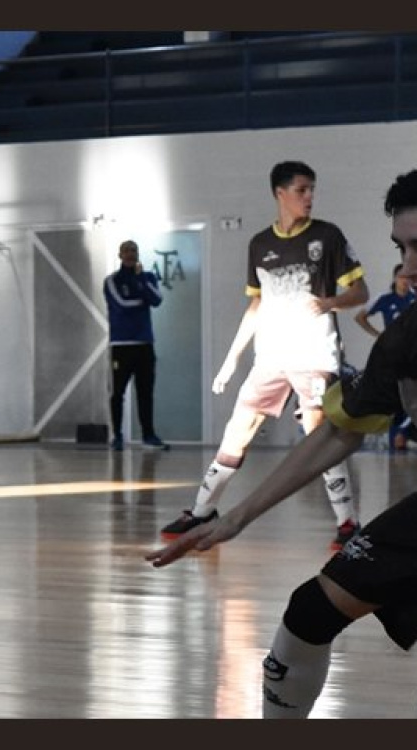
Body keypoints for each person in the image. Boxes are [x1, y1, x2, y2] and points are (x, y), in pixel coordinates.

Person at [145, 168, 417, 719]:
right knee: (307, 616)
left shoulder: (329, 241)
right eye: (402, 249)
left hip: (311, 355)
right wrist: (233, 518)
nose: (409, 266)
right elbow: (339, 431)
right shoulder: (404, 340)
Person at [160, 161, 369, 548]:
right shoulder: (259, 244)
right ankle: (202, 510)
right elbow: (255, 306)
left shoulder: (327, 236)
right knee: (237, 431)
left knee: (319, 436)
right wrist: (231, 360)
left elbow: (361, 293)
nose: (310, 196)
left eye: (312, 189)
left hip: (314, 355)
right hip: (271, 356)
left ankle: (347, 523)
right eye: (302, 189)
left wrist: (330, 303)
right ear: (280, 193)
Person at [103, 239, 168, 451]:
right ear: (120, 255)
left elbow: (157, 300)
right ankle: (117, 435)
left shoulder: (148, 277)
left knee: (145, 392)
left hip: (144, 344)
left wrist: (140, 281)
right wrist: (142, 299)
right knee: (117, 392)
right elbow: (121, 304)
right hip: (121, 345)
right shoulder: (112, 280)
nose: (131, 254)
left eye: (134, 250)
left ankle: (148, 435)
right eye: (127, 251)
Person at [354, 262, 416, 450]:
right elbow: (360, 317)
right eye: (401, 277)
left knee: (410, 397)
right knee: (395, 398)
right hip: (394, 355)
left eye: (407, 278)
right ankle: (395, 439)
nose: (404, 281)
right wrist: (378, 335)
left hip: (412, 354)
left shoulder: (413, 299)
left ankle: (404, 434)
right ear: (395, 278)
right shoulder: (385, 298)